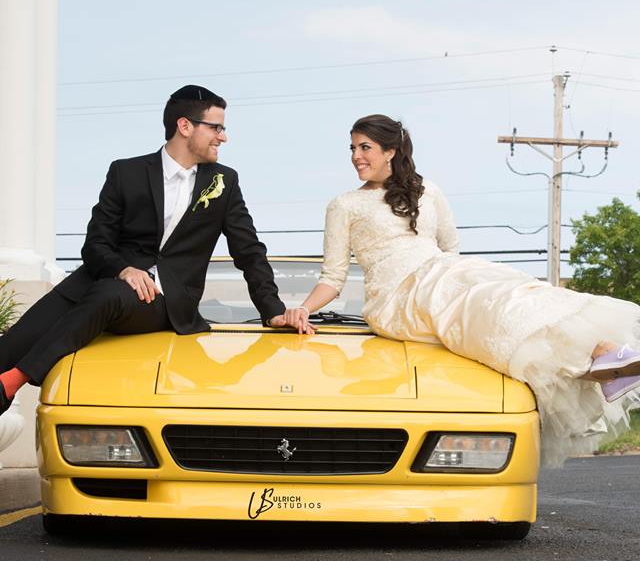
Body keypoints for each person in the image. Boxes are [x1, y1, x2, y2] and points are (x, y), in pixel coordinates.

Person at [272, 113, 640, 466]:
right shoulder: (345, 205)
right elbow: (333, 277)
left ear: (390, 151)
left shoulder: (428, 191)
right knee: (482, 302)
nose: (356, 156)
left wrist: (450, 276)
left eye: (364, 147)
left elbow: (450, 249)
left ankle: (596, 358)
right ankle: (586, 362)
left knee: (511, 293)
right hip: (395, 298)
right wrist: (303, 308)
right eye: (352, 148)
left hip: (440, 275)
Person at [0, 85, 286, 415]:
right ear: (185, 126)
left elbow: (249, 251)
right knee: (8, 347)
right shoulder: (126, 172)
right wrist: (123, 269)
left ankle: (14, 380)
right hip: (94, 284)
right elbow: (95, 244)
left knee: (109, 294)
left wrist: (272, 310)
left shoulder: (225, 181)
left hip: (163, 300)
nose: (223, 137)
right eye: (216, 127)